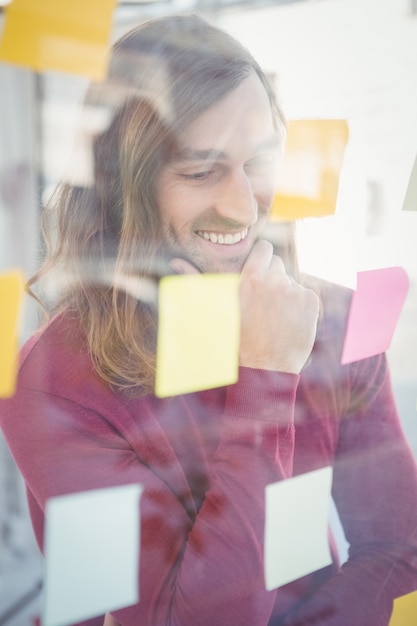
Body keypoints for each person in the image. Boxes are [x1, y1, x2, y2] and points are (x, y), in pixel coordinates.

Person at [0, 14, 416, 626]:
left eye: (259, 162)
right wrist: (267, 375)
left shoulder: (337, 321)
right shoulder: (56, 379)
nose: (245, 205)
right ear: (124, 188)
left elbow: (401, 549)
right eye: (201, 171)